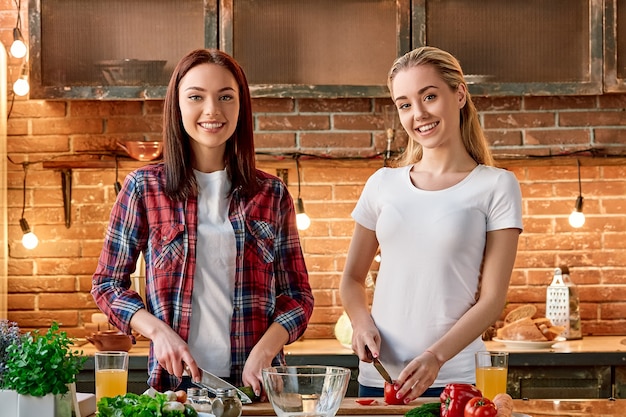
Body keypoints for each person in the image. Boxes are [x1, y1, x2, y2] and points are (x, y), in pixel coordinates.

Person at [92, 48, 314, 396]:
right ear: (177, 105)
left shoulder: (271, 193)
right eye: (196, 97)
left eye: (226, 97)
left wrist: (266, 350)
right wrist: (158, 333)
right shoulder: (143, 188)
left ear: (241, 107)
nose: (212, 110)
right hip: (174, 391)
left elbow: (298, 296)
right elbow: (107, 284)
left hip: (254, 391)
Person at [339, 46, 523, 403]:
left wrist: (435, 357)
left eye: (429, 96)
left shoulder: (496, 185)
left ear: (459, 94)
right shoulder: (382, 183)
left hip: (456, 380)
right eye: (405, 104)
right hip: (381, 378)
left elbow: (492, 299)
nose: (418, 114)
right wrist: (361, 323)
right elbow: (352, 280)